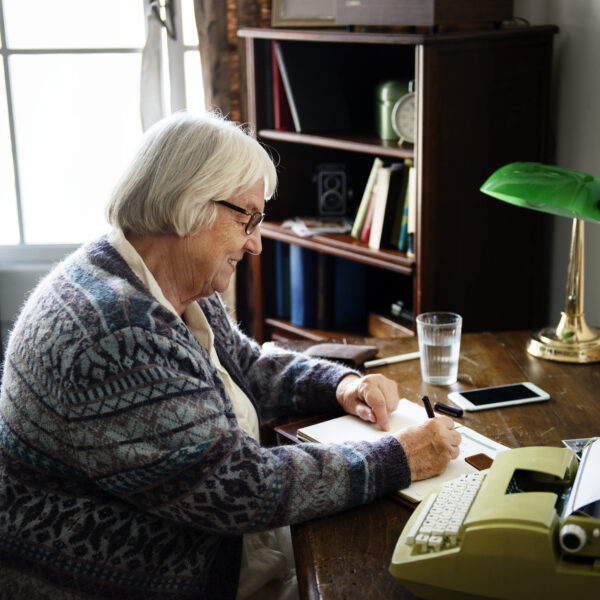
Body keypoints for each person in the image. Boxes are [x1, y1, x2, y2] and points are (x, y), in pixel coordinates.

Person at [0, 111, 460, 599]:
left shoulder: (163, 280)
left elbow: (248, 368)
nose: (256, 242)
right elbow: (241, 488)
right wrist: (399, 456)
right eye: (248, 218)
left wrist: (340, 384)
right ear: (189, 204)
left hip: (207, 549)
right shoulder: (117, 334)